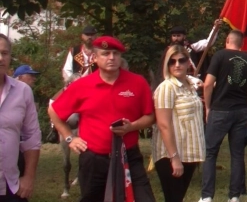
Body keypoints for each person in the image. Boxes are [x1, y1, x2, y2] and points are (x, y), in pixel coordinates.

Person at [49, 36, 156, 202]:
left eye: (116, 53)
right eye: (106, 53)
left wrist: (132, 126)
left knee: (144, 198)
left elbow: (150, 116)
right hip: (94, 159)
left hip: (128, 156)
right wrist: (70, 138)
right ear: (95, 58)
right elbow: (54, 111)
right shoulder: (82, 85)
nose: (111, 57)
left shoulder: (137, 83)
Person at [200, 30, 247, 202]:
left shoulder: (219, 56)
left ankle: (207, 196)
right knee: (237, 154)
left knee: (211, 153)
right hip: (241, 111)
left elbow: (208, 83)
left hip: (220, 110)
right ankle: (234, 196)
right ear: (241, 44)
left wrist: (208, 107)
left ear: (227, 40)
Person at [151, 45, 205, 202]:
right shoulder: (167, 88)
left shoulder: (190, 86)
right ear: (167, 65)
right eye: (172, 61)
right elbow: (163, 124)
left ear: (188, 62)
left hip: (188, 153)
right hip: (171, 155)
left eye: (181, 60)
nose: (177, 65)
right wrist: (174, 158)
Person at [0, 34, 42, 202]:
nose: (0, 58)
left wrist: (29, 177)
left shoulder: (23, 91)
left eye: (5, 53)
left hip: (12, 185)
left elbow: (32, 137)